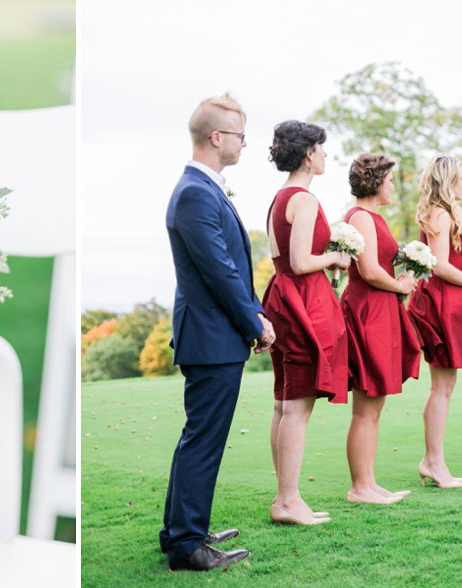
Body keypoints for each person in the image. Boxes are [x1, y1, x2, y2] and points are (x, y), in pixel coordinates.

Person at [161, 93, 271, 571]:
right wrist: (255, 323)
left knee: (199, 438)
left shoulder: (205, 190)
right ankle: (187, 544)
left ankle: (180, 530)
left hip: (215, 335)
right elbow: (220, 273)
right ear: (216, 136)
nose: (244, 144)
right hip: (211, 338)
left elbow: (232, 267)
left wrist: (256, 313)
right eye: (241, 135)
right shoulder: (195, 193)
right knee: (203, 441)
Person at [262, 120, 349, 525]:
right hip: (302, 303)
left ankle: (286, 496)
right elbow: (299, 262)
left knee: (284, 403)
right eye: (321, 148)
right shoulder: (305, 199)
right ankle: (287, 500)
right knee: (296, 405)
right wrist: (335, 258)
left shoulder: (279, 198)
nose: (326, 154)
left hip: (281, 297)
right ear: (309, 154)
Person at [407, 155, 462, 488]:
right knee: (441, 388)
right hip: (441, 304)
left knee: (444, 386)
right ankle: (432, 462)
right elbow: (440, 265)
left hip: (450, 302)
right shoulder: (439, 213)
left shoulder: (444, 212)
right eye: (461, 178)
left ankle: (433, 461)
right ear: (447, 181)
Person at [340, 153, 419, 505]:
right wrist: (399, 285)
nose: (392, 187)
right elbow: (369, 270)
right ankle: (359, 487)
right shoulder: (361, 216)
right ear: (374, 182)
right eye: (388, 180)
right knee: (366, 404)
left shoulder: (373, 217)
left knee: (375, 404)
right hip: (368, 310)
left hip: (381, 309)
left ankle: (369, 483)